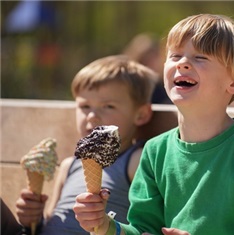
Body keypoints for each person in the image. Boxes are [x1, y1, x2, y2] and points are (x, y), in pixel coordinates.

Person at [73, 14, 234, 235]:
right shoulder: (154, 152)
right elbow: (144, 230)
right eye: (175, 55)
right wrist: (105, 226)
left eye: (200, 57)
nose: (183, 63)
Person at [15, 55, 158, 234]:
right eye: (84, 106)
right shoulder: (69, 165)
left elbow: (147, 222)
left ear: (141, 114)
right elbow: (52, 219)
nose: (91, 116)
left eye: (108, 106)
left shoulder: (135, 160)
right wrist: (32, 220)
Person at [123, 33, 171, 104]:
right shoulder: (128, 84)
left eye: (153, 57)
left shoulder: (164, 83)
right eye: (145, 59)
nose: (150, 62)